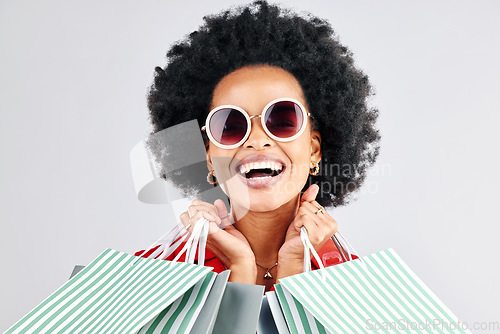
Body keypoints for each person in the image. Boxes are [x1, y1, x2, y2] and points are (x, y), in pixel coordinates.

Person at [137, 0, 380, 292]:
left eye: (282, 119)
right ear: (209, 157)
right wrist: (239, 271)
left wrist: (294, 269)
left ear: (314, 149)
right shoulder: (153, 280)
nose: (257, 139)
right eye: (230, 126)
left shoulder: (360, 291)